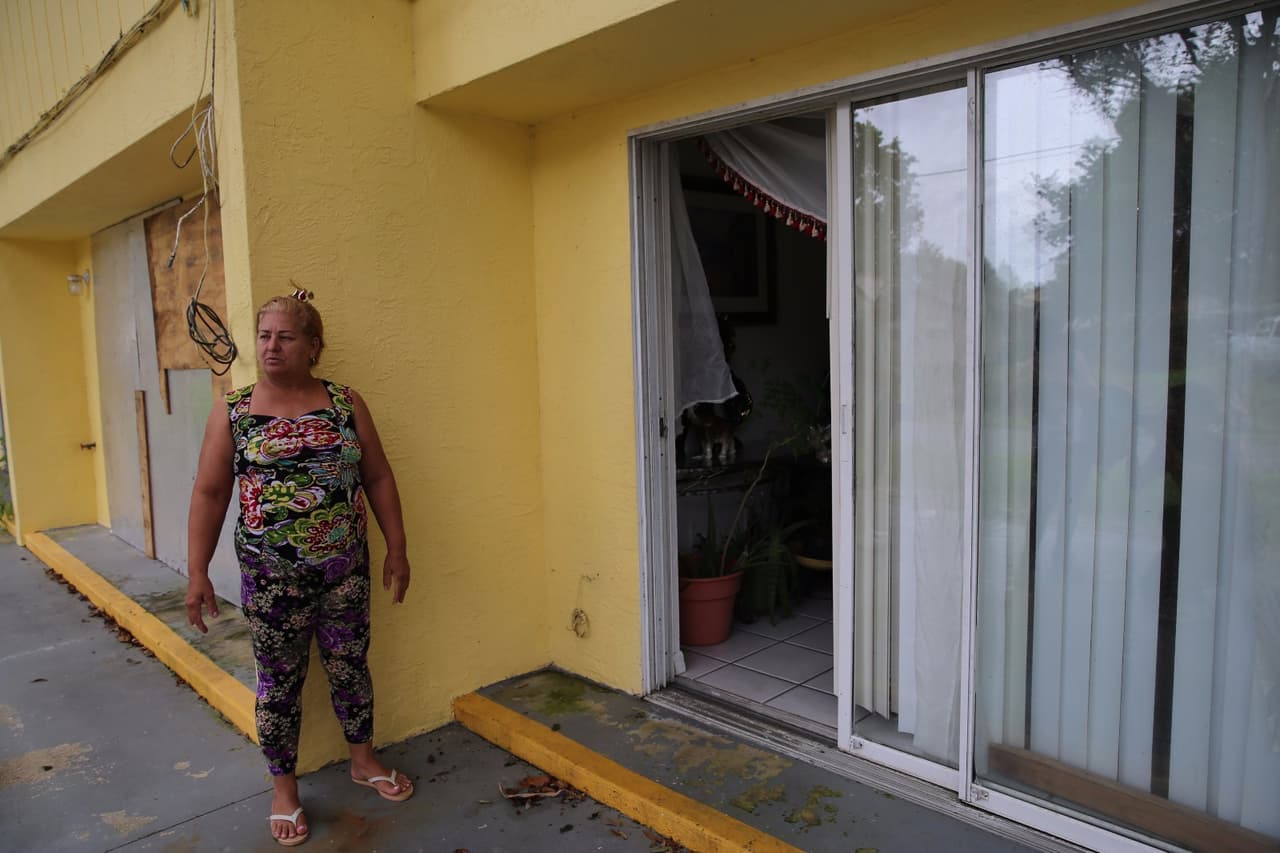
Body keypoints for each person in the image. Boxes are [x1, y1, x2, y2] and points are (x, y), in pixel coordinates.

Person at [185, 290, 413, 847]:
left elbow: (378, 476)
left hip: (345, 571)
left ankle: (363, 761)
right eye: (265, 335)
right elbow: (211, 493)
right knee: (279, 685)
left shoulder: (344, 403)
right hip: (271, 584)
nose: (272, 346)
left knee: (350, 666)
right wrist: (197, 572)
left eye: (285, 337)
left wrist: (398, 547)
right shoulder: (233, 414)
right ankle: (284, 790)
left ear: (313, 346)